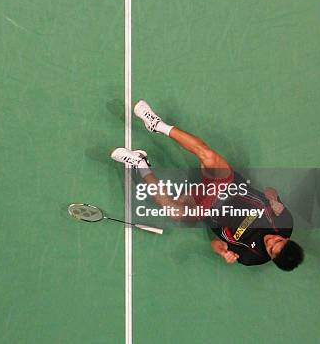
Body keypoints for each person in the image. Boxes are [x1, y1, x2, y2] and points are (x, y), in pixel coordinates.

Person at [111, 100, 304, 271]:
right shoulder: (285, 222)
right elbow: (270, 191)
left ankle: (140, 163)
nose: (270, 241)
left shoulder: (252, 257)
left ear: (270, 257)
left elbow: (215, 244)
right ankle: (156, 124)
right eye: (277, 241)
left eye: (271, 249)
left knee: (174, 212)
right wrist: (272, 198)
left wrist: (222, 252)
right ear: (286, 238)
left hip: (206, 209)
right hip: (228, 184)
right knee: (207, 155)